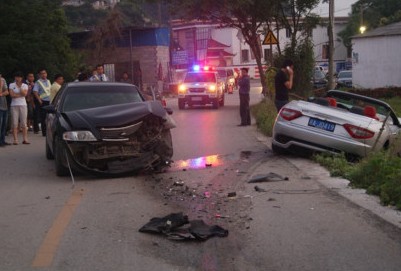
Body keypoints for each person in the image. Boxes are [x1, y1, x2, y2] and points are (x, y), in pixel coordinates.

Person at [9, 72, 29, 145]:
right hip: (14, 105)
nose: (18, 79)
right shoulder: (11, 85)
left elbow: (24, 94)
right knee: (14, 123)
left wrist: (20, 88)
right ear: (15, 77)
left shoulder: (25, 85)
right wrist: (19, 94)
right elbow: (11, 95)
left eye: (20, 77)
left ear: (22, 78)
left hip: (23, 105)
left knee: (24, 123)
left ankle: (25, 139)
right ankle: (15, 139)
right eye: (17, 77)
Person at [33, 68, 51, 136]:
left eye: (45, 73)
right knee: (43, 117)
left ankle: (49, 131)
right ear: (40, 75)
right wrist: (39, 100)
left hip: (49, 101)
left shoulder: (48, 81)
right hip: (43, 101)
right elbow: (35, 91)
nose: (44, 75)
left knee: (49, 117)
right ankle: (44, 132)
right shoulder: (38, 82)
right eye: (42, 73)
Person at [0, 73, 10, 146]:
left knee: (4, 124)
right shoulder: (1, 81)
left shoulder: (3, 80)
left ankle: (2, 140)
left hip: (4, 105)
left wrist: (1, 94)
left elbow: (7, 92)